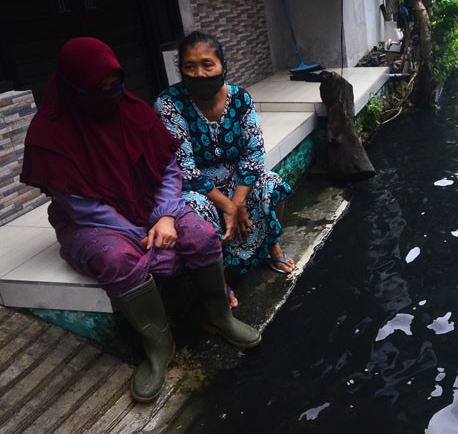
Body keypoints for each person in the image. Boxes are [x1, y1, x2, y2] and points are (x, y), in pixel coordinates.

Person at [20, 37, 262, 404]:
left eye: (113, 85)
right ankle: (158, 346)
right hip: (94, 221)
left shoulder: (133, 111)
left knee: (199, 233)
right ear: (72, 87)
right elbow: (80, 205)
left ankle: (219, 316)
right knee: (118, 259)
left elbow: (168, 168)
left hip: (151, 204)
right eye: (96, 89)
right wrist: (141, 234)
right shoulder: (49, 133)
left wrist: (165, 216)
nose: (108, 95)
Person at [154, 31, 295, 308]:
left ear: (222, 66)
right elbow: (185, 169)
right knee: (194, 211)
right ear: (180, 69)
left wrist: (238, 201)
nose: (200, 74)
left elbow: (253, 152)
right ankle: (217, 279)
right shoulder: (169, 104)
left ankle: (269, 246)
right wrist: (228, 207)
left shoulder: (240, 98)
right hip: (196, 186)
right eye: (189, 67)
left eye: (208, 64)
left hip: (236, 178)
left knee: (272, 183)